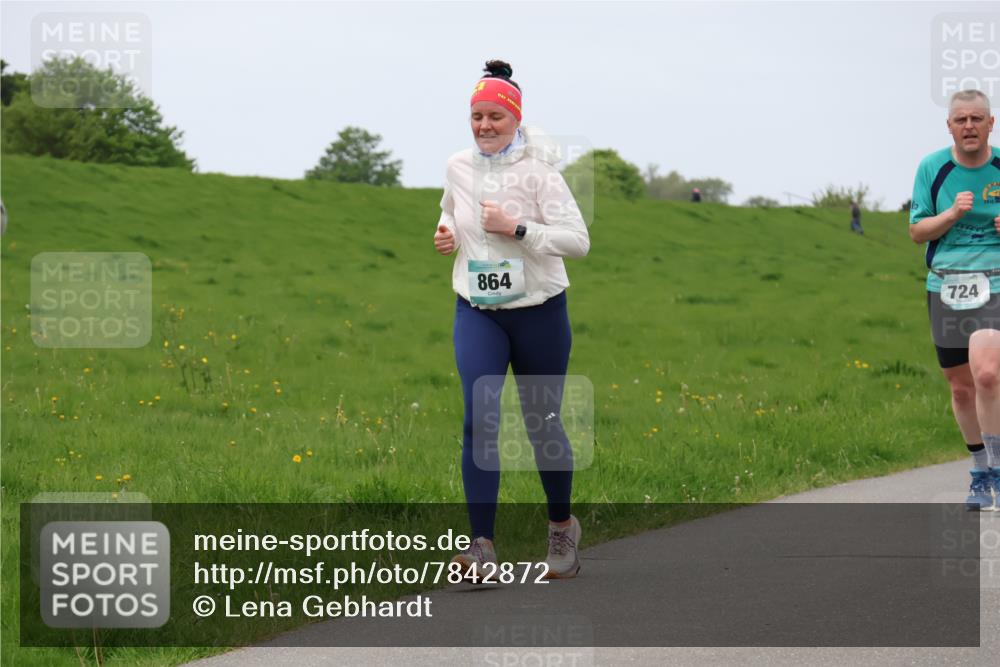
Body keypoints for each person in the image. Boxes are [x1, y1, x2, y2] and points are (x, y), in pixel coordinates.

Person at [433, 60, 590, 579]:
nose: (483, 126)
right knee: (479, 420)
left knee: (542, 423)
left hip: (539, 313)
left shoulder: (542, 173)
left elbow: (578, 241)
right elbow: (449, 207)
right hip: (477, 309)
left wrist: (518, 228)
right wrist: (446, 232)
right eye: (476, 116)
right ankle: (481, 547)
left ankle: (561, 525)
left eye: (494, 116)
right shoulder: (457, 165)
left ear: (515, 118)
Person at [909, 89, 1000, 510]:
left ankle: (997, 468)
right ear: (950, 126)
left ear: (990, 124)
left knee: (986, 374)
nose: (969, 126)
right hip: (946, 285)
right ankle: (979, 470)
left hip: (995, 281)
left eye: (977, 119)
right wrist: (951, 216)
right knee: (961, 388)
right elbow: (917, 231)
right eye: (961, 119)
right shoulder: (933, 168)